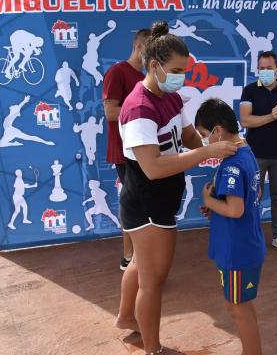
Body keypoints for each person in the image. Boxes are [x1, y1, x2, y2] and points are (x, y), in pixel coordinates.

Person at [115, 21, 238, 355]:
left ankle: (127, 317)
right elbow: (153, 168)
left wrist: (210, 144)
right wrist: (205, 153)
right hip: (147, 202)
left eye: (185, 70)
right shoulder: (139, 108)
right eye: (176, 70)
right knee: (153, 282)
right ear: (154, 66)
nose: (182, 76)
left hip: (160, 199)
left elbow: (187, 137)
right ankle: (153, 348)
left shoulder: (170, 96)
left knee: (142, 265)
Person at [196, 98, 266, 355]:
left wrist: (206, 200)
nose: (205, 142)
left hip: (238, 249)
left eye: (205, 135)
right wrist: (215, 204)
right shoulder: (245, 151)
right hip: (243, 244)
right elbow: (250, 197)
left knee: (238, 307)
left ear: (218, 130)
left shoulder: (232, 164)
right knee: (239, 304)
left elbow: (236, 210)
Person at [240, 51, 277, 254]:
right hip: (254, 154)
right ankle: (249, 236)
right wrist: (272, 115)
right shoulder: (249, 91)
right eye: (262, 68)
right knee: (252, 196)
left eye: (269, 68)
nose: (265, 71)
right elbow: (246, 121)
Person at [103, 28, 151, 271]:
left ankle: (139, 255)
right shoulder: (117, 72)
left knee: (141, 204)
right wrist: (142, 111)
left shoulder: (143, 78)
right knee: (133, 204)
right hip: (125, 154)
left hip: (145, 151)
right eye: (151, 50)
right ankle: (129, 257)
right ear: (140, 47)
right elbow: (110, 112)